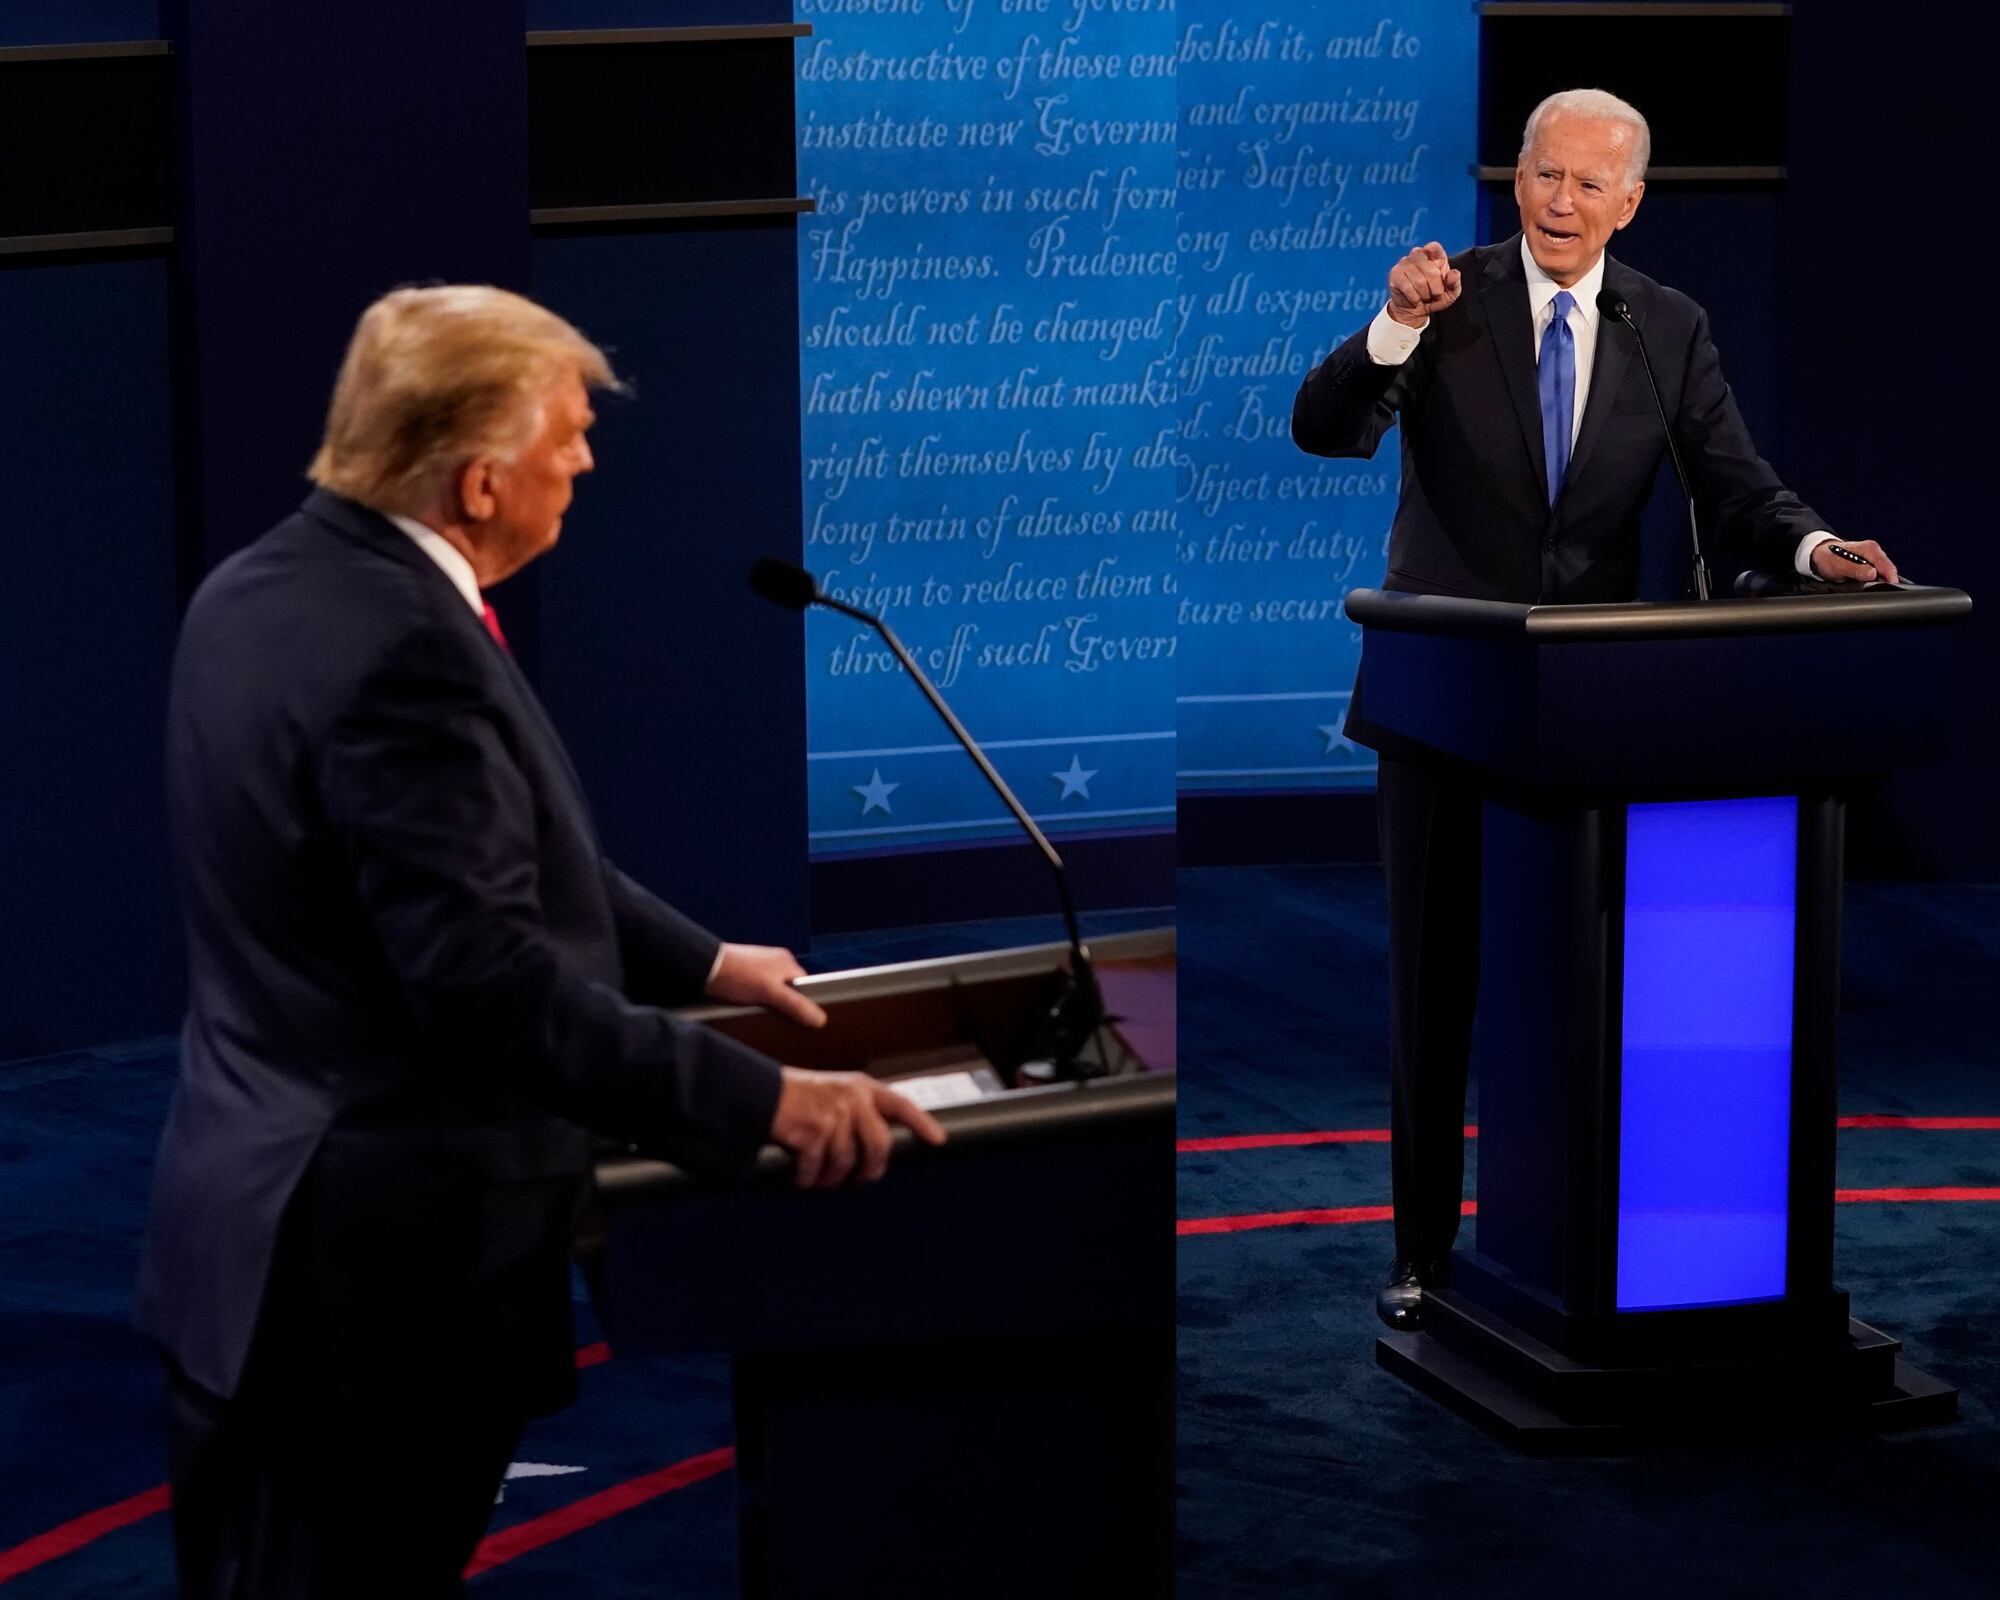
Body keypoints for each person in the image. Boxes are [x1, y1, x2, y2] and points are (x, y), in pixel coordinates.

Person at [136, 284, 947, 1595]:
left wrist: (706, 965)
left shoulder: (260, 589)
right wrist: (766, 1103)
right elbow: (483, 981)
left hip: (245, 1240)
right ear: (475, 482)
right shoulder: (409, 650)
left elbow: (483, 864)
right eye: (566, 436)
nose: (583, 460)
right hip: (372, 1290)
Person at [1290, 89, 1899, 1332]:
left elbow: (1736, 489)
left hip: (1600, 711)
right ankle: (1417, 1251)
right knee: (1433, 983)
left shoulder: (1661, 324)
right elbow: (1323, 429)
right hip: (1447, 698)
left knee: (1586, 987)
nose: (1557, 203)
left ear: (1628, 201)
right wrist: (1390, 327)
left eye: (1585, 185)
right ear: (1512, 179)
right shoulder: (1443, 301)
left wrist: (1817, 548)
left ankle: (1585, 1243)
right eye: (1539, 176)